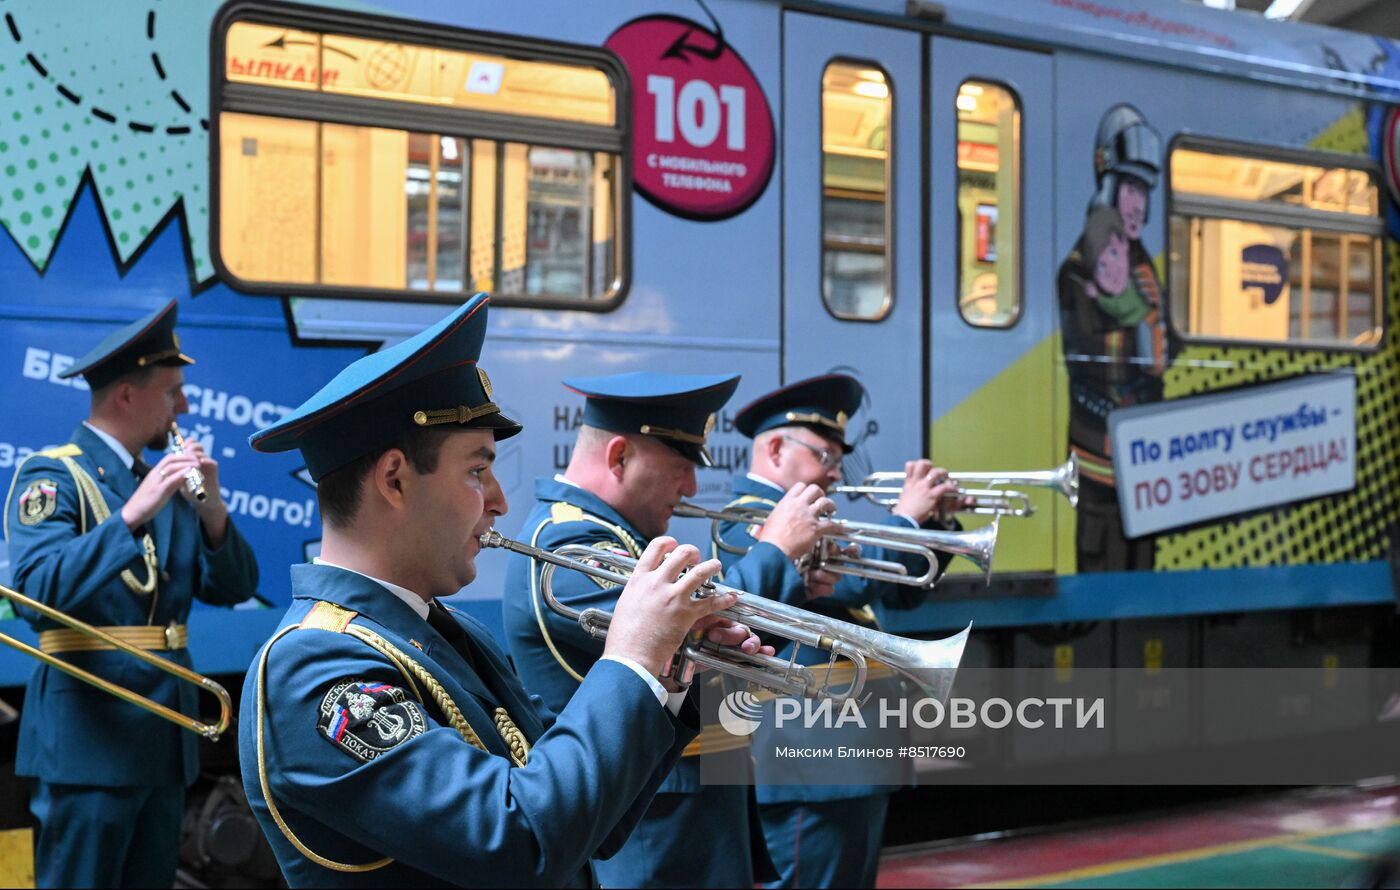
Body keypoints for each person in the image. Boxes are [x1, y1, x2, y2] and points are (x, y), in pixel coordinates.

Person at [241, 295, 768, 888]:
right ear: (394, 479)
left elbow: (590, 819)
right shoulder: (314, 667)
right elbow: (517, 839)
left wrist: (671, 678)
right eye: (475, 471)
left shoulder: (451, 633)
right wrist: (632, 659)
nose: (499, 501)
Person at [502, 371, 836, 888]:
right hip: (651, 837)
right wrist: (777, 550)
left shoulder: (610, 537)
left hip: (680, 824)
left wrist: (796, 585)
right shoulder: (567, 547)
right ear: (619, 457)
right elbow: (701, 631)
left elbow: (717, 655)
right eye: (681, 467)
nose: (692, 489)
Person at [3, 298, 259, 888]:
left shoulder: (159, 480)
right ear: (126, 396)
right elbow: (33, 593)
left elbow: (235, 586)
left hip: (163, 729)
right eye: (173, 391)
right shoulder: (54, 474)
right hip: (90, 735)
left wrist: (213, 510)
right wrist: (129, 518)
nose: (186, 406)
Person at [717, 373, 965, 889]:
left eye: (836, 460)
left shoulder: (804, 517)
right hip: (812, 757)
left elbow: (902, 590)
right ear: (778, 449)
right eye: (825, 456)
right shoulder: (745, 520)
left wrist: (935, 527)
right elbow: (847, 586)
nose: (834, 473)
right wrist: (907, 522)